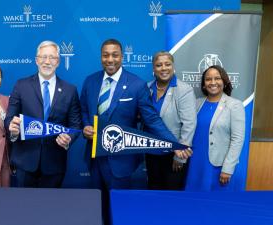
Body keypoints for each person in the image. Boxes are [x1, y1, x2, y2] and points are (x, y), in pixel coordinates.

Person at [80, 39, 192, 224]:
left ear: (122, 57)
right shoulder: (90, 81)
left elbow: (152, 119)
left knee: (119, 210)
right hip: (94, 159)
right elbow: (84, 109)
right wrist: (85, 127)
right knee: (96, 209)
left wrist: (174, 144)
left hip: (121, 162)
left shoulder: (136, 85)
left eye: (115, 55)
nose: (110, 59)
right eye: (106, 55)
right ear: (101, 57)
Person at [7, 40, 82, 188]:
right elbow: (10, 117)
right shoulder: (21, 85)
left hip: (55, 164)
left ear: (58, 62)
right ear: (36, 60)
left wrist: (69, 138)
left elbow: (75, 124)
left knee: (50, 209)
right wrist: (12, 127)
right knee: (24, 206)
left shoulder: (70, 90)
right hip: (25, 161)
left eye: (52, 58)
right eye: (43, 57)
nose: (47, 62)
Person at [186, 65, 245, 191]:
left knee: (217, 204)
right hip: (196, 162)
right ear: (203, 84)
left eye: (217, 78)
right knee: (195, 201)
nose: (213, 82)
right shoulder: (196, 103)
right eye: (208, 79)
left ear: (224, 82)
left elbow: (238, 139)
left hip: (218, 166)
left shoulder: (235, 105)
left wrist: (228, 168)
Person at [145, 51, 197, 190]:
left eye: (167, 64)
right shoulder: (147, 88)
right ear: (153, 69)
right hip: (151, 151)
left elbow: (189, 124)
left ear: (173, 67)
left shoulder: (184, 90)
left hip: (174, 153)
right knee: (154, 190)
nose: (163, 68)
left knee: (171, 193)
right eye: (159, 65)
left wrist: (180, 156)